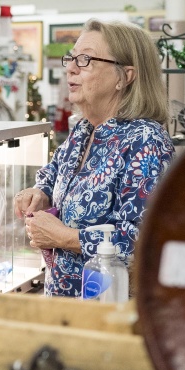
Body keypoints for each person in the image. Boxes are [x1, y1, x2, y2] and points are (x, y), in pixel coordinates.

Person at [13, 19, 174, 297]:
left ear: (125, 76)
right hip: (66, 309)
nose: (70, 68)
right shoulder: (84, 129)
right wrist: (39, 193)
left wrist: (65, 237)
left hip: (109, 315)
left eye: (85, 59)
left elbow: (145, 240)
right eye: (72, 58)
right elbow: (53, 175)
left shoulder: (145, 141)